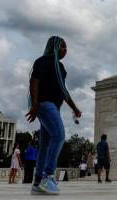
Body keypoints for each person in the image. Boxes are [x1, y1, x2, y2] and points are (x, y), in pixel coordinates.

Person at [26, 36, 82, 195]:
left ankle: (37, 183)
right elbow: (34, 81)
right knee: (59, 135)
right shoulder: (42, 61)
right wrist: (35, 103)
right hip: (45, 105)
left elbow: (63, 91)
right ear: (54, 47)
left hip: (54, 108)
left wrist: (75, 108)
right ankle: (47, 176)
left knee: (44, 145)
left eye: (66, 47)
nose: (65, 49)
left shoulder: (61, 68)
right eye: (62, 46)